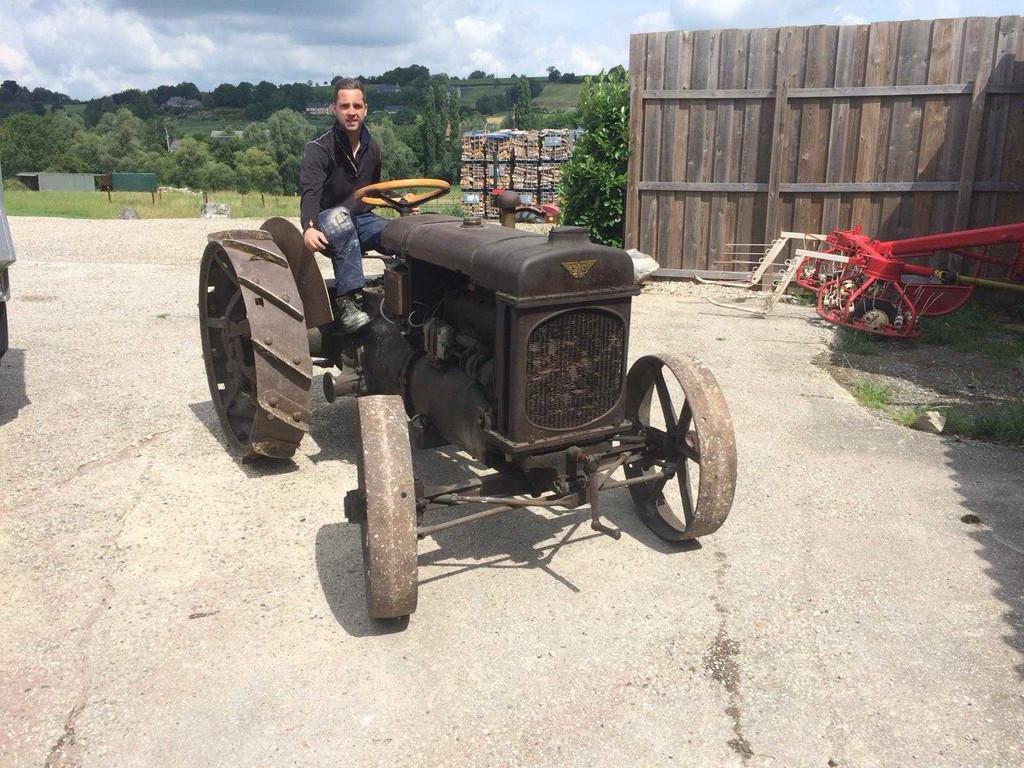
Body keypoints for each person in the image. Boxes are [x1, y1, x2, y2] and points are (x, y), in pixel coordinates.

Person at [299, 77, 388, 334]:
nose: (352, 112)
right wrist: (309, 227)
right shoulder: (318, 149)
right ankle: (347, 301)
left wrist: (400, 203)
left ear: (365, 109)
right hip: (329, 220)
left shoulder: (374, 150)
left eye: (357, 106)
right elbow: (310, 193)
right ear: (333, 109)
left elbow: (372, 192)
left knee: (404, 233)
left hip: (362, 218)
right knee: (340, 218)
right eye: (345, 106)